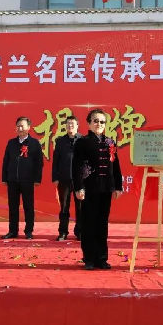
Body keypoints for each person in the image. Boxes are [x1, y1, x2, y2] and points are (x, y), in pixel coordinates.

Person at [72, 109, 123, 270]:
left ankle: (101, 258)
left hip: (106, 188)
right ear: (89, 123)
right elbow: (76, 167)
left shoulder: (110, 142)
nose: (99, 124)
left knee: (102, 223)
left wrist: (118, 186)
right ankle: (88, 258)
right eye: (95, 121)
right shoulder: (82, 142)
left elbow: (115, 165)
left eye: (102, 122)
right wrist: (79, 187)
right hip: (89, 188)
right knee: (88, 223)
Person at [1, 116, 43, 240]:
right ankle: (12, 231)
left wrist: (37, 179)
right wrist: (5, 177)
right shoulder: (11, 143)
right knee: (13, 207)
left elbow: (39, 163)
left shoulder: (34, 143)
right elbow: (6, 161)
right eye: (18, 126)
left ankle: (28, 231)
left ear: (28, 127)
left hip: (28, 180)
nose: (19, 128)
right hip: (12, 180)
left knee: (28, 206)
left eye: (22, 126)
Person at [52, 115, 82, 241]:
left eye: (72, 124)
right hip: (64, 179)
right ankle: (63, 232)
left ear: (77, 126)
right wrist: (55, 178)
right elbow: (55, 161)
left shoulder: (83, 140)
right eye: (68, 123)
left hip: (79, 180)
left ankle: (80, 232)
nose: (70, 126)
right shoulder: (60, 141)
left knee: (80, 208)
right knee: (64, 208)